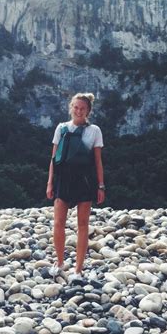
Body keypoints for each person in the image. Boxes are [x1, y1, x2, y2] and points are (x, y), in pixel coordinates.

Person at [46, 93, 105, 281]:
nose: (79, 111)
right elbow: (54, 159)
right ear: (71, 107)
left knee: (82, 225)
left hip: (85, 180)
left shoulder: (94, 130)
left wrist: (101, 185)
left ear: (88, 111)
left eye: (83, 108)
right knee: (58, 223)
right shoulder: (61, 128)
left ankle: (78, 270)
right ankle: (60, 262)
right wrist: (50, 182)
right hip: (63, 179)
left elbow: (98, 161)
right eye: (76, 107)